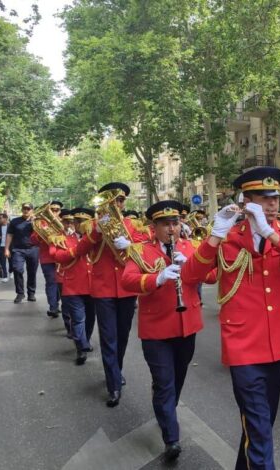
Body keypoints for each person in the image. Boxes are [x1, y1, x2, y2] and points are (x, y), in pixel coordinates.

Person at [186, 167, 280, 469]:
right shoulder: (227, 237)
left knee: (261, 423)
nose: (273, 203)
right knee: (259, 427)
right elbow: (191, 276)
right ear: (246, 201)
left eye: (276, 197)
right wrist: (215, 237)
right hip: (244, 345)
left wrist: (271, 233)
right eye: (264, 197)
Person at [119, 200, 207, 462]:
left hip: (187, 325)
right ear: (153, 227)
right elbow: (127, 280)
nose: (172, 228)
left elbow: (212, 276)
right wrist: (156, 278)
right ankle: (172, 438)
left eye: (175, 223)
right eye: (165, 224)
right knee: (164, 382)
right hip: (156, 328)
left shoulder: (189, 247)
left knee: (177, 379)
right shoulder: (140, 250)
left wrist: (191, 262)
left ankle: (165, 410)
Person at [76, 182, 148, 407]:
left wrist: (130, 244)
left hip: (127, 288)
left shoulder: (133, 225)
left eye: (121, 200)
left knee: (123, 335)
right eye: (114, 200)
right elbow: (80, 251)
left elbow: (145, 249)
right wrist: (96, 233)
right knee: (108, 338)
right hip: (104, 288)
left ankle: (117, 369)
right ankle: (113, 384)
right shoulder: (93, 225)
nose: (118, 204)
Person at [50, 208, 96, 365]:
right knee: (78, 319)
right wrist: (77, 250)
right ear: (74, 223)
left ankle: (85, 340)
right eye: (78, 222)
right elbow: (57, 256)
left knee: (90, 318)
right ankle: (81, 348)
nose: (81, 224)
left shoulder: (97, 239)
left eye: (85, 222)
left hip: (94, 286)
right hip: (73, 285)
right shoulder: (63, 239)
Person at [30, 200, 64, 317]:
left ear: (60, 211)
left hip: (64, 257)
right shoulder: (41, 223)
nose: (53, 212)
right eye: (51, 209)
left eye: (56, 210)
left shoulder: (65, 222)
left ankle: (57, 302)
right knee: (51, 282)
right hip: (47, 258)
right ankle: (53, 307)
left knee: (61, 283)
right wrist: (42, 235)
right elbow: (33, 240)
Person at [6, 203, 39, 304]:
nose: (26, 210)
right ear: (22, 210)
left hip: (33, 249)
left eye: (28, 209)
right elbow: (9, 235)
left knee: (32, 272)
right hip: (18, 249)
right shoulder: (15, 221)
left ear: (32, 210)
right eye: (24, 209)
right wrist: (6, 249)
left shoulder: (37, 221)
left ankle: (31, 293)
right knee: (17, 269)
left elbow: (42, 233)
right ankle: (20, 293)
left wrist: (35, 222)